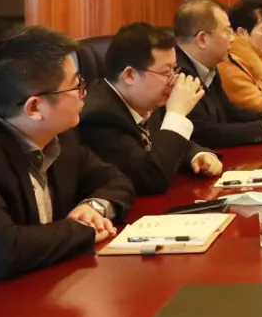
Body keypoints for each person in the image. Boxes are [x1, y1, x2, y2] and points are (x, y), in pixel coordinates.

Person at [0, 26, 135, 296]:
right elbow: (4, 252)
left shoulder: (59, 135)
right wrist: (81, 229)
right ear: (35, 108)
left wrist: (93, 207)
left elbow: (115, 180)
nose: (84, 93)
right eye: (76, 85)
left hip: (46, 287)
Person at [79, 23, 223, 195]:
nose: (173, 81)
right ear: (130, 75)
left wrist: (197, 155)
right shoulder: (99, 118)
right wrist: (176, 114)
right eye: (166, 73)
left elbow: (162, 142)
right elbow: (151, 178)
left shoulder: (145, 100)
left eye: (174, 70)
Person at [173, 0, 262, 148]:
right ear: (202, 39)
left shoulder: (209, 67)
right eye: (227, 32)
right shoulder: (178, 74)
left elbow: (229, 112)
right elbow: (203, 133)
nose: (233, 39)